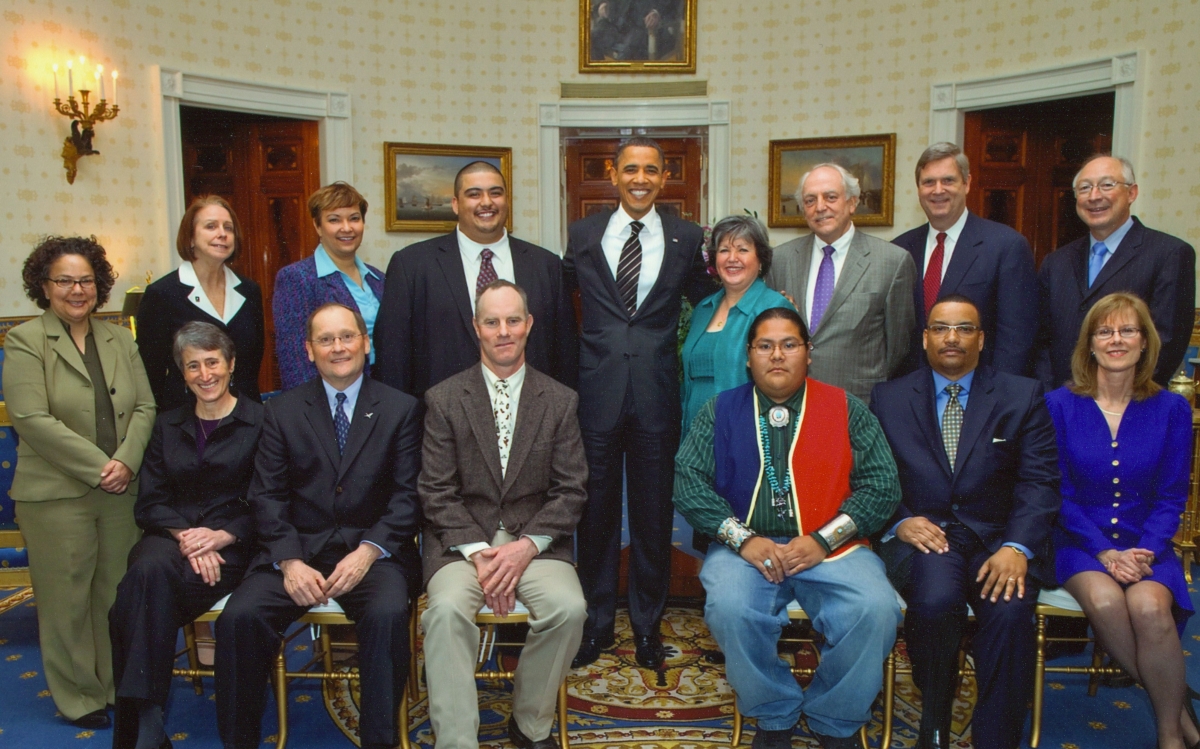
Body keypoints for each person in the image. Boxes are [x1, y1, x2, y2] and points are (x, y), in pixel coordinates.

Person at [674, 307, 902, 749]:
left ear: (809, 353)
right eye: (765, 346)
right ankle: (774, 712)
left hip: (833, 547)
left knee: (876, 609)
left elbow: (882, 485)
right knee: (730, 607)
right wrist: (743, 539)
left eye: (789, 344)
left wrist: (823, 540)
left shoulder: (846, 408)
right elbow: (688, 483)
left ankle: (834, 716)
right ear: (748, 356)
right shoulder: (718, 410)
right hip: (745, 547)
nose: (777, 355)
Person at [214, 303, 421, 749]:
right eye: (325, 340)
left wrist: (368, 552)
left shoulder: (401, 409)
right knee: (239, 617)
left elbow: (409, 497)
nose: (338, 347)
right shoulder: (282, 411)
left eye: (347, 336)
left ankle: (379, 742)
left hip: (373, 555)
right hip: (296, 553)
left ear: (365, 343)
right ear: (309, 351)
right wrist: (289, 561)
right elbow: (265, 495)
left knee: (387, 615)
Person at [870, 295, 1060, 749]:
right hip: (927, 536)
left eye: (963, 328)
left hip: (1000, 539)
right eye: (940, 328)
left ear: (981, 338)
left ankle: (996, 738)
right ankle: (934, 723)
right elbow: (869, 477)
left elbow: (1041, 480)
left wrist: (1018, 547)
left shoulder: (1022, 393)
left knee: (1012, 614)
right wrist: (899, 522)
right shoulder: (889, 397)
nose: (951, 337)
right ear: (924, 338)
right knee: (936, 602)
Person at [564, 136, 713, 669]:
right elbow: (561, 303)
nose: (641, 178)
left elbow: (712, 299)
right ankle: (597, 625)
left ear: (664, 176)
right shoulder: (583, 234)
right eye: (631, 168)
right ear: (613, 173)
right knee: (596, 517)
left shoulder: (686, 236)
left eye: (652, 169)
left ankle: (648, 628)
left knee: (653, 519)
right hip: (595, 397)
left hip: (656, 398)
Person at [419, 280, 588, 749]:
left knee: (569, 609)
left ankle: (529, 723)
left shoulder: (559, 400)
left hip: (536, 544)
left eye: (513, 320)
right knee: (448, 612)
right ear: (477, 328)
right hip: (459, 546)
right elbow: (435, 491)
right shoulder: (444, 398)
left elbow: (571, 490)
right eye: (492, 322)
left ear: (529, 325)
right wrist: (479, 552)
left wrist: (524, 547)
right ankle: (457, 741)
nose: (503, 331)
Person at [3, 236, 156, 729]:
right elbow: (30, 417)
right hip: (55, 495)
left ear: (100, 285)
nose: (77, 289)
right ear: (44, 286)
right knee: (65, 600)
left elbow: (146, 406)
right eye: (64, 280)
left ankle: (114, 685)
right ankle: (77, 696)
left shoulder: (121, 338)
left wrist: (127, 461)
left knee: (113, 595)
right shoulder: (25, 341)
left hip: (119, 492)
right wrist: (100, 467)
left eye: (86, 280)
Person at [1046, 292, 1198, 749]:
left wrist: (1145, 549)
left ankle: (1170, 733)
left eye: (1128, 330)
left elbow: (1172, 495)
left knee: (1151, 608)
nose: (1117, 339)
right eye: (1105, 331)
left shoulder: (1172, 410)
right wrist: (1106, 552)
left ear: (1145, 342)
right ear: (1089, 344)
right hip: (1078, 541)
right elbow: (1058, 493)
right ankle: (1184, 720)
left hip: (1147, 542)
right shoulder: (1058, 404)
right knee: (1109, 602)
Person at [110, 322, 263, 749]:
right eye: (192, 365)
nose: (204, 374)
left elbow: (271, 500)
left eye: (212, 361)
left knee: (130, 602)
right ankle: (146, 722)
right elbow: (150, 502)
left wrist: (221, 536)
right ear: (182, 373)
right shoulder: (167, 425)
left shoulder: (261, 422)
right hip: (173, 539)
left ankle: (142, 727)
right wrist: (189, 537)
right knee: (148, 568)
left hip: (233, 547)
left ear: (231, 364)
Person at [374, 161, 577, 400]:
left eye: (496, 193)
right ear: (455, 204)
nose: (486, 202)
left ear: (507, 200)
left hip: (530, 420)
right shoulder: (412, 266)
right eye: (474, 194)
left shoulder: (545, 265)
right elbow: (392, 360)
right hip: (441, 425)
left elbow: (566, 355)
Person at [1037, 154, 1195, 389]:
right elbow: (1041, 340)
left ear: (1132, 193)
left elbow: (1167, 341)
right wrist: (1051, 396)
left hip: (1130, 405)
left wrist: (1120, 400)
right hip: (1060, 406)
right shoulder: (1056, 262)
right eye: (1085, 188)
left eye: (1107, 185)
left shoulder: (1169, 254)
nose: (1094, 196)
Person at [764, 163, 915, 403]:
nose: (820, 207)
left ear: (852, 202)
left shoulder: (892, 262)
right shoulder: (780, 260)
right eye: (810, 200)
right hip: (790, 402)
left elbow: (898, 348)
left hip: (857, 404)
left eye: (831, 197)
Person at [891, 143, 1038, 376]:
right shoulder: (899, 249)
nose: (938, 190)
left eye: (948, 180)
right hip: (911, 393)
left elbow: (1016, 337)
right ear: (918, 188)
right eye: (928, 182)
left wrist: (998, 398)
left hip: (980, 389)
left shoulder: (1006, 245)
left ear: (967, 183)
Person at [136, 195, 264, 411]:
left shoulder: (249, 291)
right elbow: (150, 374)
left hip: (246, 419)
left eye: (228, 228)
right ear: (191, 238)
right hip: (186, 422)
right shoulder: (162, 294)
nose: (222, 234)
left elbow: (252, 365)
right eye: (211, 226)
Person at [681, 214, 794, 436]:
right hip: (695, 437)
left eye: (742, 250)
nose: (732, 258)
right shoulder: (704, 309)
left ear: (760, 259)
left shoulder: (774, 309)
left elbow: (785, 383)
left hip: (746, 437)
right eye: (724, 250)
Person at [273, 182, 385, 390]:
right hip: (330, 399)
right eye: (334, 220)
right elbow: (294, 361)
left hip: (380, 395)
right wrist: (312, 414)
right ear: (317, 226)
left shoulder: (379, 278)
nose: (347, 228)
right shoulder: (297, 278)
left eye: (354, 218)